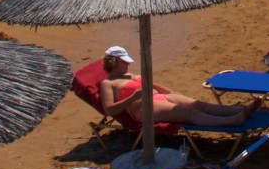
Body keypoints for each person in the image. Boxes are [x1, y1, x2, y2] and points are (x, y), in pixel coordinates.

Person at [98, 46, 258, 127]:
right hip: (144, 110)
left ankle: (238, 110)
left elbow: (152, 85)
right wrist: (133, 97)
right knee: (191, 114)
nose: (128, 65)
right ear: (116, 62)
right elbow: (109, 110)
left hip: (158, 98)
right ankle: (231, 121)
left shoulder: (129, 76)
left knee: (198, 104)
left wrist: (171, 93)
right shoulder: (108, 84)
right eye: (125, 62)